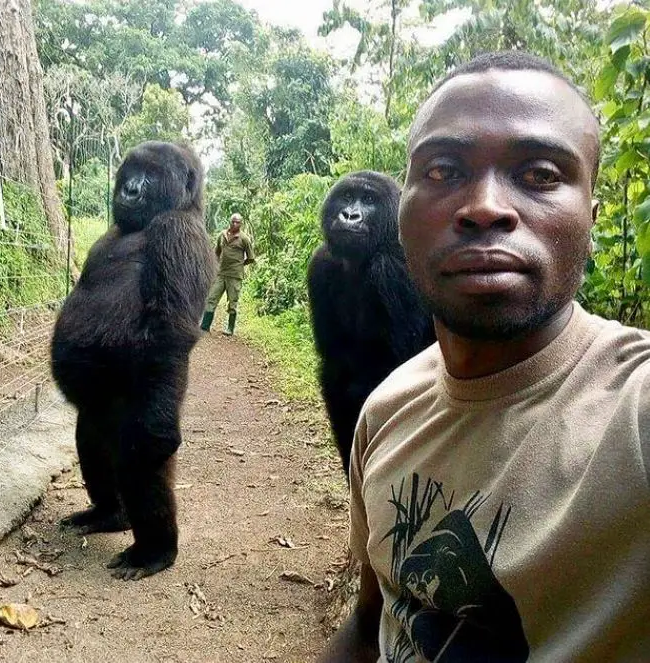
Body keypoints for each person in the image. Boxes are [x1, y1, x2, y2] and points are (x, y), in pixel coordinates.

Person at [319, 51, 650, 663]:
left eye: (541, 173)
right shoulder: (386, 410)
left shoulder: (633, 407)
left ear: (592, 220)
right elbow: (373, 625)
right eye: (443, 172)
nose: (485, 206)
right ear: (404, 218)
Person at [201, 212, 255, 335]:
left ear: (241, 224)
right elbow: (216, 253)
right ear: (230, 222)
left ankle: (230, 328)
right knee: (211, 298)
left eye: (238, 222)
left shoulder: (244, 238)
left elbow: (251, 257)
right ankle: (205, 325)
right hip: (221, 274)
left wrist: (239, 265)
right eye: (233, 221)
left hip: (235, 276)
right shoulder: (222, 235)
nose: (235, 224)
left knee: (232, 302)